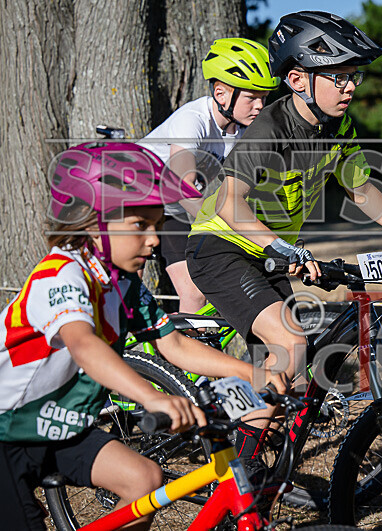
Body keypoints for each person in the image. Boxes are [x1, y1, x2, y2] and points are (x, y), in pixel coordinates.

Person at [186, 11, 382, 473]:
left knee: (285, 376)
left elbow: (361, 190)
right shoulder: (271, 126)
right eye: (340, 76)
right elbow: (229, 202)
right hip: (221, 246)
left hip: (269, 255)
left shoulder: (336, 128)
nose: (350, 87)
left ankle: (248, 464)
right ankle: (236, 485)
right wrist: (280, 248)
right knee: (291, 343)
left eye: (354, 76)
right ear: (298, 79)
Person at [0, 142, 285, 531]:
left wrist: (254, 373)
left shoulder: (124, 285)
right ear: (94, 223)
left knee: (144, 479)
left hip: (54, 428)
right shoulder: (61, 273)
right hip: (6, 431)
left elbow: (176, 344)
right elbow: (84, 345)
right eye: (140, 226)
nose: (154, 240)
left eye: (157, 226)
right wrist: (153, 398)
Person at [138, 38, 279, 314]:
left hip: (169, 212)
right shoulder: (193, 119)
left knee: (194, 294)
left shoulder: (239, 133)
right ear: (221, 94)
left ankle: (179, 357)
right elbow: (183, 185)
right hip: (130, 205)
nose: (260, 105)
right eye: (252, 97)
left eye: (264, 97)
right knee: (126, 285)